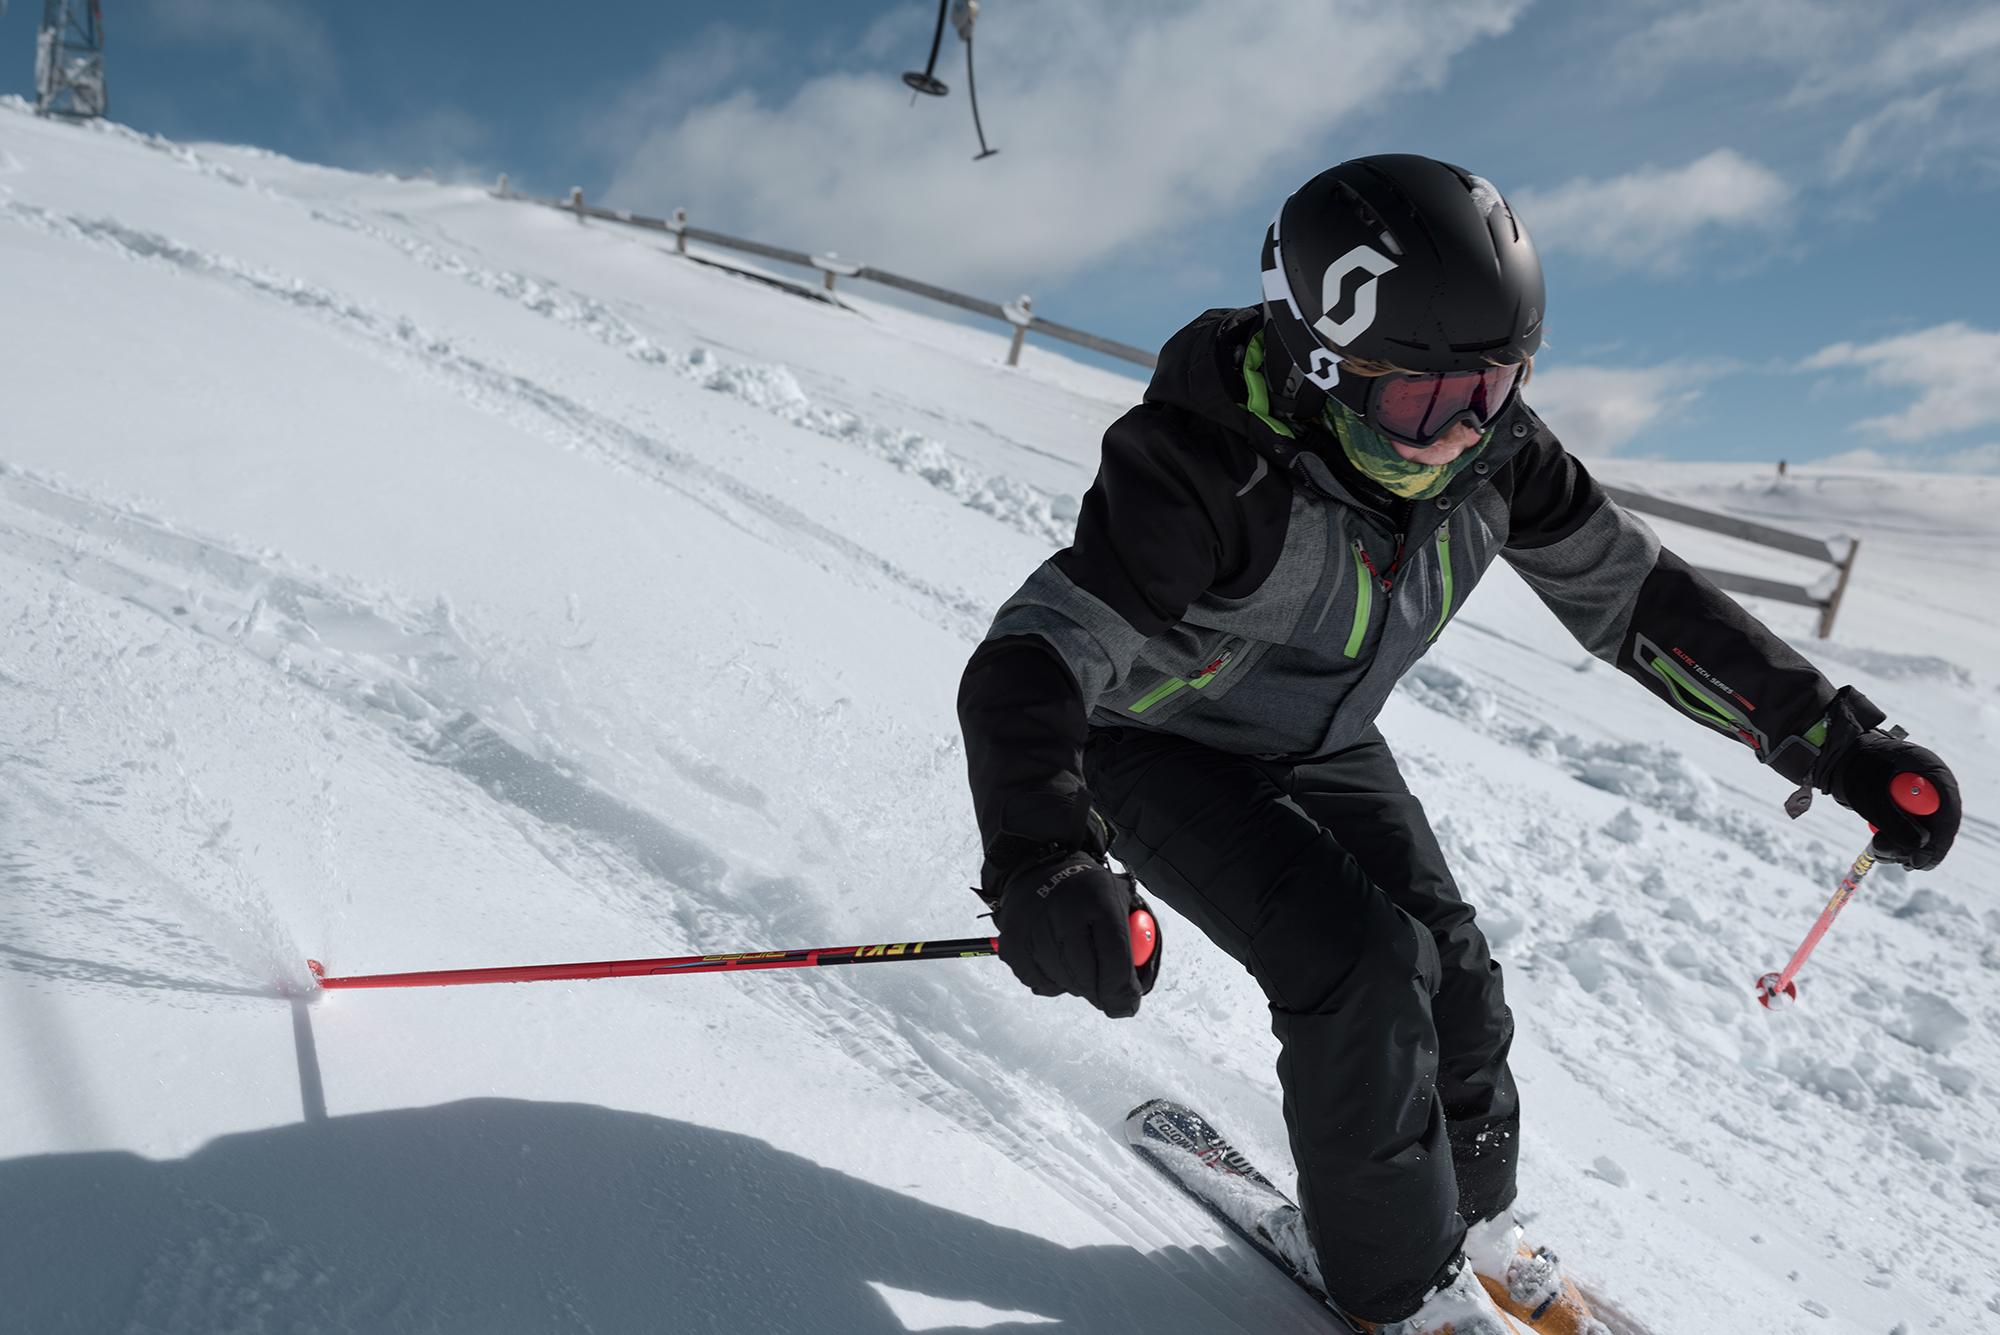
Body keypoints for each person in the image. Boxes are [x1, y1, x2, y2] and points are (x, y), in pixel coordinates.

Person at [956, 155, 1962, 1333]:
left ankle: (1468, 1222)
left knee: (1456, 980)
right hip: (1157, 740)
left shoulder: (1492, 454)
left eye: (1496, 385)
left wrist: (1833, 742)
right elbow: (1032, 658)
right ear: (1319, 360)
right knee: (1362, 972)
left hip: (1320, 738)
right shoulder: (1202, 467)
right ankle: (1397, 1290)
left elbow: (1638, 603)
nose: (1467, 430)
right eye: (1427, 401)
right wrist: (1041, 855)